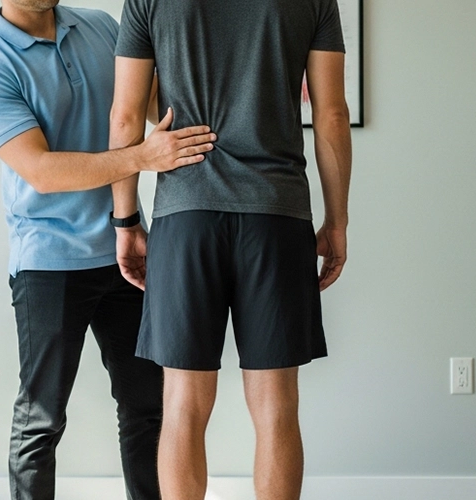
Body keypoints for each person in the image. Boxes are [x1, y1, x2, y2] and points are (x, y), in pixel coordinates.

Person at [0, 1, 216, 499]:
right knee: (42, 418)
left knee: (148, 408)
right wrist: (142, 156)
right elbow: (42, 170)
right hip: (48, 261)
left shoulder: (101, 26)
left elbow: (156, 104)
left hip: (128, 249)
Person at [108, 0, 353, 499]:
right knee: (276, 406)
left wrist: (126, 219)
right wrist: (338, 220)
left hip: (185, 215)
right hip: (277, 215)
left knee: (181, 404)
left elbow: (127, 115)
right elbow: (330, 112)